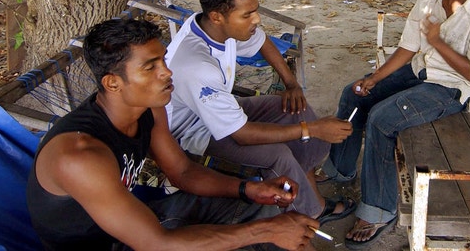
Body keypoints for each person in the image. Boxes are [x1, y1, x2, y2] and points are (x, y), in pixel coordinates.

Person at [26, 18, 319, 250]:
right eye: (150, 67)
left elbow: (182, 171)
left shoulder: (149, 110)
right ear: (113, 83)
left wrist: (248, 189)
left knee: (267, 213)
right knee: (265, 231)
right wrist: (266, 231)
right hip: (108, 243)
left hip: (139, 224)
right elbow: (156, 244)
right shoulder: (80, 156)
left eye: (163, 61)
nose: (167, 73)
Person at [320, 0, 470, 248]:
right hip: (418, 70)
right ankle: (340, 171)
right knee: (355, 94)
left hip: (450, 88)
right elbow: (408, 47)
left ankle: (379, 210)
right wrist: (376, 77)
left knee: (382, 119)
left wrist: (439, 41)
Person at [166, 0, 356, 226]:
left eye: (255, 10)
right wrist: (312, 129)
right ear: (217, 16)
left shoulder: (212, 27)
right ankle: (308, 215)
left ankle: (305, 190)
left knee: (292, 109)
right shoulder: (198, 65)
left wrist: (291, 84)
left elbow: (263, 41)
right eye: (247, 14)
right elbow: (242, 135)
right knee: (278, 154)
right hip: (192, 130)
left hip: (215, 110)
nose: (256, 19)